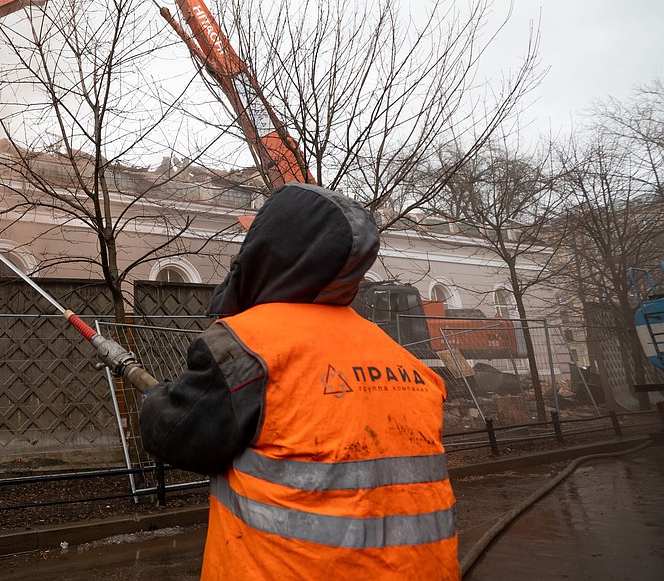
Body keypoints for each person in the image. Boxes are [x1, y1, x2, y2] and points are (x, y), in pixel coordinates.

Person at [139, 183, 459, 580]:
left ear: (268, 250)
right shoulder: (401, 357)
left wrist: (154, 399)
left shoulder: (248, 346)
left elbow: (177, 437)